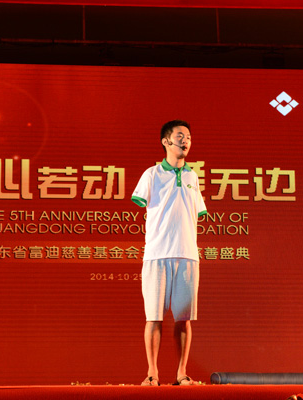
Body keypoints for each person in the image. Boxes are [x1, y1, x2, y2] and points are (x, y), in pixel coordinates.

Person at [131, 120, 207, 386]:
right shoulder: (151, 175)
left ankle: (181, 373)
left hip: (187, 255)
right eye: (180, 136)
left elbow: (197, 211)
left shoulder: (192, 177)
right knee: (153, 317)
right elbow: (142, 201)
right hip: (157, 255)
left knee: (184, 319)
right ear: (166, 141)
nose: (185, 141)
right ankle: (152, 373)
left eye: (189, 137)